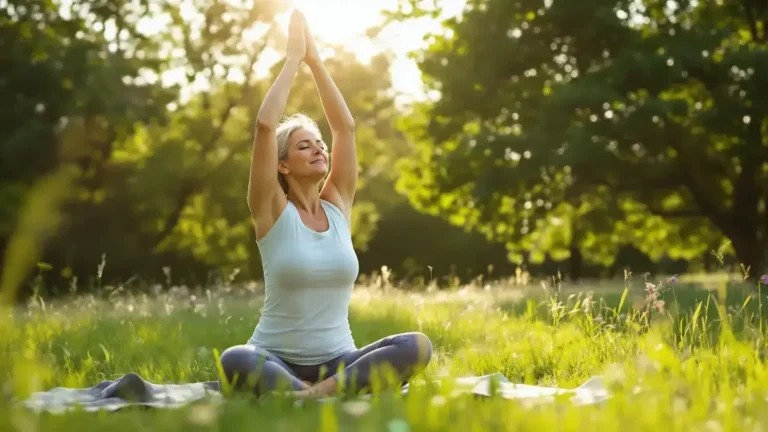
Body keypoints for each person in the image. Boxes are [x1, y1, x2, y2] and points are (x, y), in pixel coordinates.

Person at [217, 10, 432, 400]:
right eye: (304, 145)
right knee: (235, 359)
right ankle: (324, 393)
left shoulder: (337, 206)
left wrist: (316, 62)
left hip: (338, 360)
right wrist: (292, 60)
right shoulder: (270, 210)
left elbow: (345, 128)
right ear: (282, 164)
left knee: (417, 345)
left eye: (319, 144)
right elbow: (265, 127)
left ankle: (307, 396)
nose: (319, 148)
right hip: (274, 358)